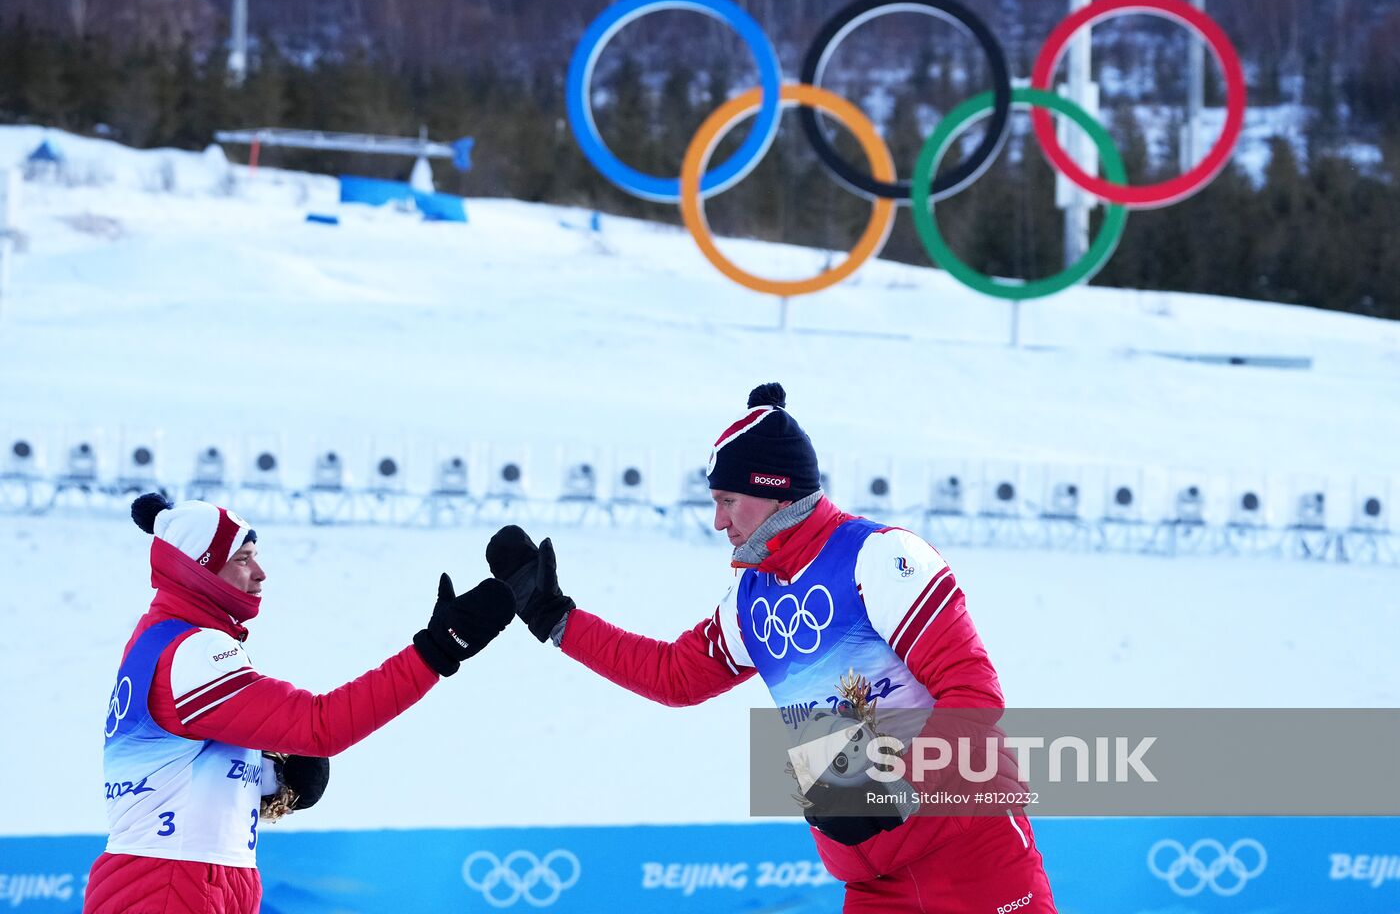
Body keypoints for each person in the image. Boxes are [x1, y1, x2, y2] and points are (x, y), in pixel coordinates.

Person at [486, 383, 1057, 913]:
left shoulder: (878, 557)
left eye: (729, 501)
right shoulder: (749, 596)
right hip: (871, 875)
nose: (718, 522)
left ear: (774, 489)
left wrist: (894, 783)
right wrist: (557, 619)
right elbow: (675, 676)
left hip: (968, 847)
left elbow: (973, 693)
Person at [85, 493, 514, 914]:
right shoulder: (193, 651)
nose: (260, 572)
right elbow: (320, 726)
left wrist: (277, 779)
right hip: (171, 883)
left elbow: (177, 768)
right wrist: (435, 651)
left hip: (190, 875)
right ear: (197, 570)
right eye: (242, 559)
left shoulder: (168, 640)